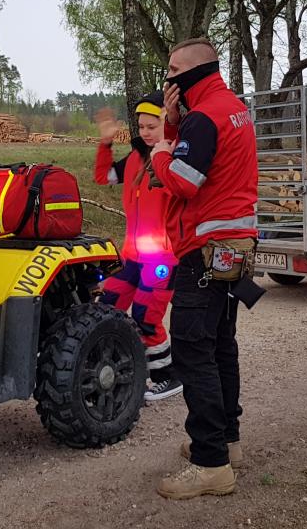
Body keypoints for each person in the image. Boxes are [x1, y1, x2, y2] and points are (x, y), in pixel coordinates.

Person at [148, 38, 265, 500]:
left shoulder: (203, 117)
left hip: (204, 250)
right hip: (233, 249)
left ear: (192, 75)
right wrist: (177, 130)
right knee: (220, 345)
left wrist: (161, 142)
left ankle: (210, 463)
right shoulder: (231, 107)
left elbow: (183, 180)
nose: (168, 80)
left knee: (194, 350)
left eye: (173, 71)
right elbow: (209, 165)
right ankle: (226, 442)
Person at [93, 92, 182, 402]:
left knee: (145, 316)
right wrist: (105, 143)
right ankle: (118, 366)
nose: (145, 132)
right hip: (131, 256)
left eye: (152, 126)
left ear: (166, 124)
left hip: (162, 259)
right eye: (141, 126)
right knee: (105, 307)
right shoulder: (133, 157)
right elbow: (103, 177)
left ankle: (168, 375)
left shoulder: (174, 158)